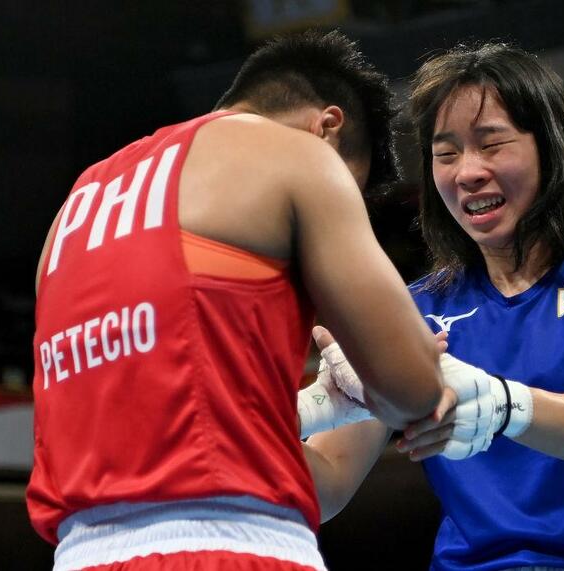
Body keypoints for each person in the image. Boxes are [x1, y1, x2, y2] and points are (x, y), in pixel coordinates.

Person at [26, 30, 444, 571]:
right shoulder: (299, 155)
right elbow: (414, 389)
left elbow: (321, 488)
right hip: (235, 552)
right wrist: (404, 380)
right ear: (327, 128)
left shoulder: (76, 205)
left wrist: (332, 405)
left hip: (82, 553)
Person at [303, 41, 564, 571]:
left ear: (551, 148)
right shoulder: (412, 313)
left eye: (491, 144)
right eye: (446, 154)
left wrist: (503, 404)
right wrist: (293, 416)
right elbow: (326, 489)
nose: (467, 171)